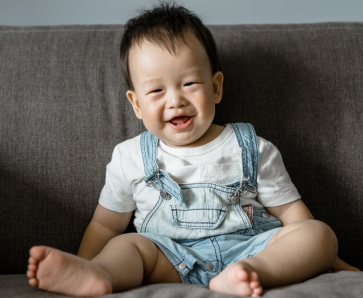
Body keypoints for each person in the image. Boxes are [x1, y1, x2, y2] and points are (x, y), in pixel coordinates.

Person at [26, 1, 360, 297]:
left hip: (253, 250)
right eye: (156, 90)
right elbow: (105, 226)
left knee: (317, 233)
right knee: (126, 245)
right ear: (136, 104)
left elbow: (292, 215)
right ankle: (99, 276)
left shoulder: (253, 148)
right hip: (168, 259)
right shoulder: (129, 157)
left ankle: (251, 274)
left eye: (189, 83)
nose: (176, 100)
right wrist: (85, 262)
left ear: (215, 87)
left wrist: (332, 259)